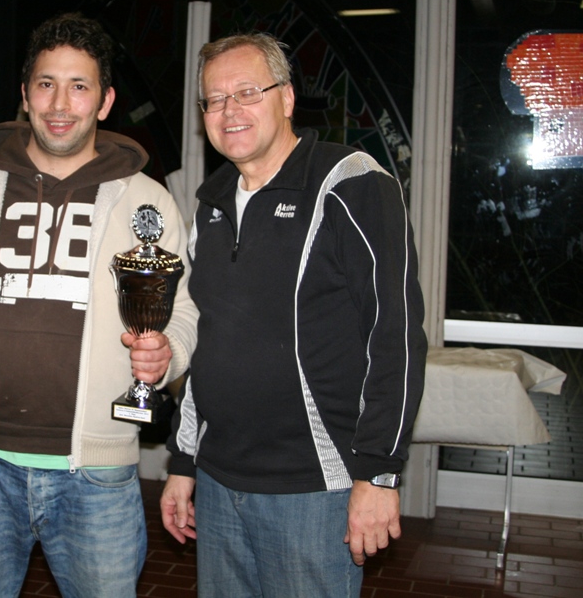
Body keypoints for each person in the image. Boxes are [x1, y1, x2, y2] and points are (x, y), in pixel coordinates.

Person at [0, 12, 198, 598]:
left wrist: (167, 353)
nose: (60, 104)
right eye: (46, 84)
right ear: (24, 95)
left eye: (79, 86)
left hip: (98, 472)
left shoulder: (147, 203)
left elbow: (185, 311)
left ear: (105, 101)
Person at [160, 33, 426, 597]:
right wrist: (183, 461)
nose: (229, 110)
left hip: (315, 490)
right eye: (214, 99)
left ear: (286, 98)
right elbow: (209, 342)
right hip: (218, 480)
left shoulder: (351, 183)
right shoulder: (209, 203)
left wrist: (378, 474)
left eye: (247, 92)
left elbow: (395, 336)